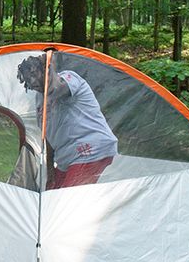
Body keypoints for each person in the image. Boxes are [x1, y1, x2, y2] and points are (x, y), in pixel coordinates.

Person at [17, 55, 118, 189]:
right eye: (28, 78)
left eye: (34, 74)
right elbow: (48, 135)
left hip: (91, 150)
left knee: (68, 203)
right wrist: (50, 173)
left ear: (45, 70)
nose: (32, 80)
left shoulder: (69, 78)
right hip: (66, 159)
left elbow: (57, 89)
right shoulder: (39, 100)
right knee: (52, 195)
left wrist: (50, 67)